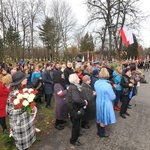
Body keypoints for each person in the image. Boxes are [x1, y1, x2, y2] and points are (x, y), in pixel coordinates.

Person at [6, 71, 36, 150]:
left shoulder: (25, 91)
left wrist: (30, 106)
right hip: (20, 125)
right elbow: (9, 111)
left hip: (27, 123)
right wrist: (24, 107)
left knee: (27, 146)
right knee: (22, 147)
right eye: (24, 78)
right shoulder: (13, 95)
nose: (26, 79)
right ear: (19, 82)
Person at [67, 73, 88, 146]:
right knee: (76, 124)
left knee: (76, 123)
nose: (79, 79)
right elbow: (76, 99)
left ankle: (77, 133)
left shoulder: (74, 86)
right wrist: (84, 102)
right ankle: (73, 140)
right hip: (74, 109)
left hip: (73, 108)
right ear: (74, 80)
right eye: (78, 78)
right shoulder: (73, 87)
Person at [94, 68, 116, 137]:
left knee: (99, 116)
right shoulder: (108, 85)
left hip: (98, 101)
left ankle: (99, 131)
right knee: (103, 118)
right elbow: (113, 97)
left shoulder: (96, 82)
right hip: (105, 103)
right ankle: (102, 133)